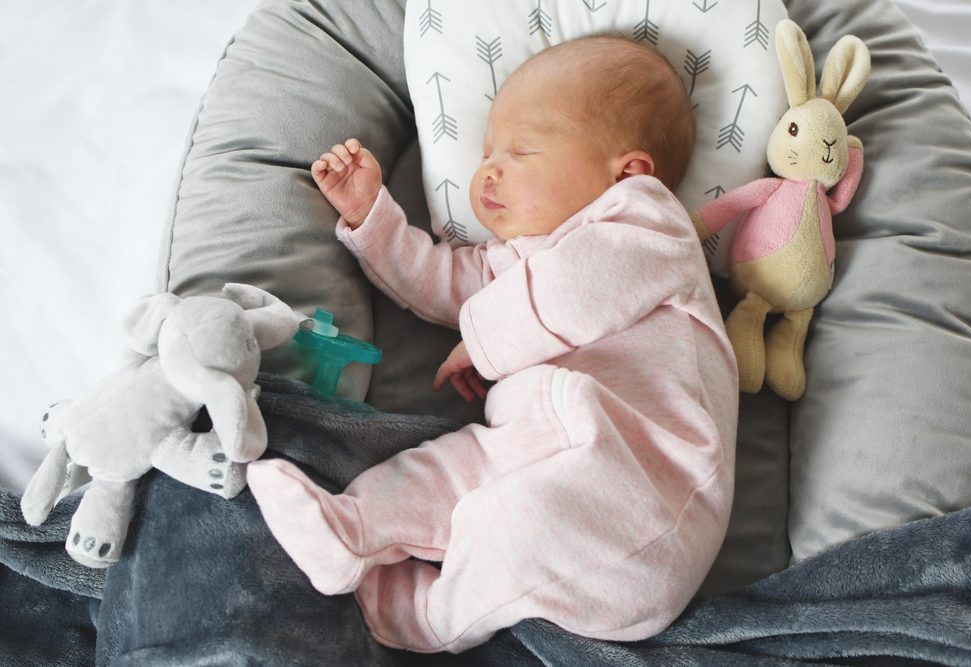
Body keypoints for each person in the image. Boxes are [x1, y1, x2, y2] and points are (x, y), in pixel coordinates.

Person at [247, 34, 738, 654]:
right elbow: (438, 282)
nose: (488, 170)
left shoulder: (649, 225)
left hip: (640, 499)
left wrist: (481, 343)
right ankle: (349, 529)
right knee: (440, 469)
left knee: (512, 526)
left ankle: (430, 617)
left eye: (523, 149)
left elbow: (577, 291)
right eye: (485, 153)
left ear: (628, 170)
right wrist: (372, 216)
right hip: (529, 447)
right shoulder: (511, 261)